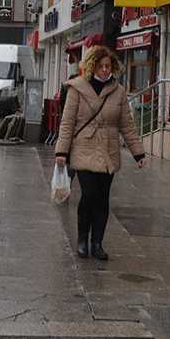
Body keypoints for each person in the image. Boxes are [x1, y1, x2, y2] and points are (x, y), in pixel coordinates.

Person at [54, 45, 145, 261]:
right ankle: (83, 240)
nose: (105, 70)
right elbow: (67, 123)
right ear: (92, 66)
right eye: (101, 66)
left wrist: (138, 153)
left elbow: (127, 125)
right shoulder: (77, 89)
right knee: (89, 195)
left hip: (108, 150)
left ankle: (98, 243)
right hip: (84, 149)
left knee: (103, 198)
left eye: (108, 66)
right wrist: (62, 151)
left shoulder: (119, 91)